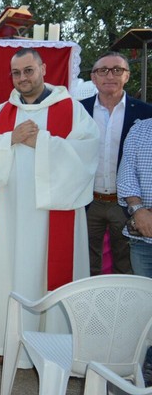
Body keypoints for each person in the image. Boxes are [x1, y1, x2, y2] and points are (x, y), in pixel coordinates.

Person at [0, 48, 99, 366]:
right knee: (11, 271)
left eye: (28, 70)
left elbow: (87, 153)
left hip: (54, 211)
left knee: (49, 271)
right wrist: (9, 139)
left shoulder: (70, 108)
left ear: (43, 69)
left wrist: (41, 143)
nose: (23, 78)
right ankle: (7, 342)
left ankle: (55, 349)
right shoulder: (2, 113)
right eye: (16, 73)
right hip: (11, 214)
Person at [80, 52, 152, 275]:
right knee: (85, 264)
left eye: (117, 70)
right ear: (93, 77)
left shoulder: (144, 113)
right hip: (87, 201)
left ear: (127, 76)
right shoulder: (78, 110)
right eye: (103, 70)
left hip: (125, 205)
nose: (110, 75)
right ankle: (87, 310)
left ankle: (123, 310)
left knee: (127, 266)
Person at [117, 117, 152, 386]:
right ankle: (143, 368)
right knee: (144, 307)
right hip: (143, 238)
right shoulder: (140, 130)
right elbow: (127, 175)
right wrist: (138, 210)